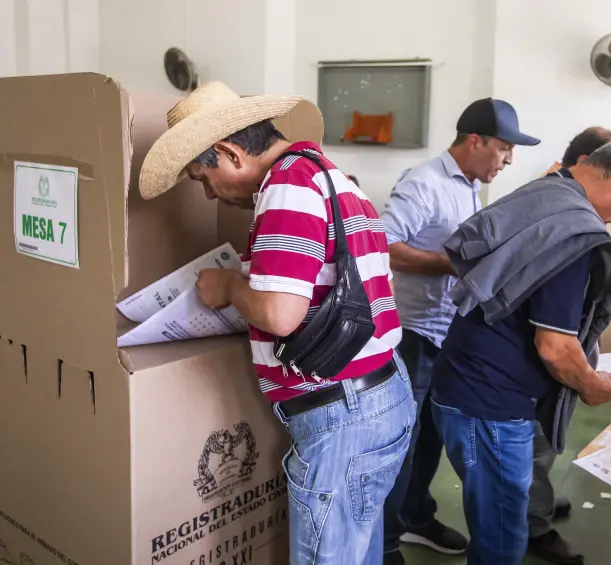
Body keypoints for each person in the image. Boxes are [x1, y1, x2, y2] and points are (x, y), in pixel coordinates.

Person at [138, 82, 416, 565]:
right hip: (378, 395)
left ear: (228, 153)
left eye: (201, 178)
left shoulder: (287, 185)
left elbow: (280, 314)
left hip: (343, 416)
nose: (208, 195)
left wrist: (228, 287)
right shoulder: (329, 177)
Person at [430, 138, 611, 564]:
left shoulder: (547, 190)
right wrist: (592, 385)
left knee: (494, 518)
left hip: (463, 381)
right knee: (502, 533)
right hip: (492, 403)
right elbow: (556, 348)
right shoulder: (576, 233)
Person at [380, 98, 541, 565]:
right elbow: (384, 245)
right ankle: (387, 540)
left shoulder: (470, 186)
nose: (508, 160)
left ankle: (415, 516)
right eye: (504, 149)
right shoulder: (425, 182)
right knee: (403, 445)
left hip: (447, 334)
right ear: (475, 141)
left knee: (432, 437)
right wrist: (453, 265)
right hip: (413, 334)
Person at [528, 125, 611, 565]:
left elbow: (573, 287)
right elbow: (553, 341)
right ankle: (532, 525)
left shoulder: (566, 203)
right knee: (537, 444)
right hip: (534, 366)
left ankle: (535, 504)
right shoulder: (557, 214)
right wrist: (591, 382)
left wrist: (606, 307)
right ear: (593, 169)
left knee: (545, 443)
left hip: (552, 358)